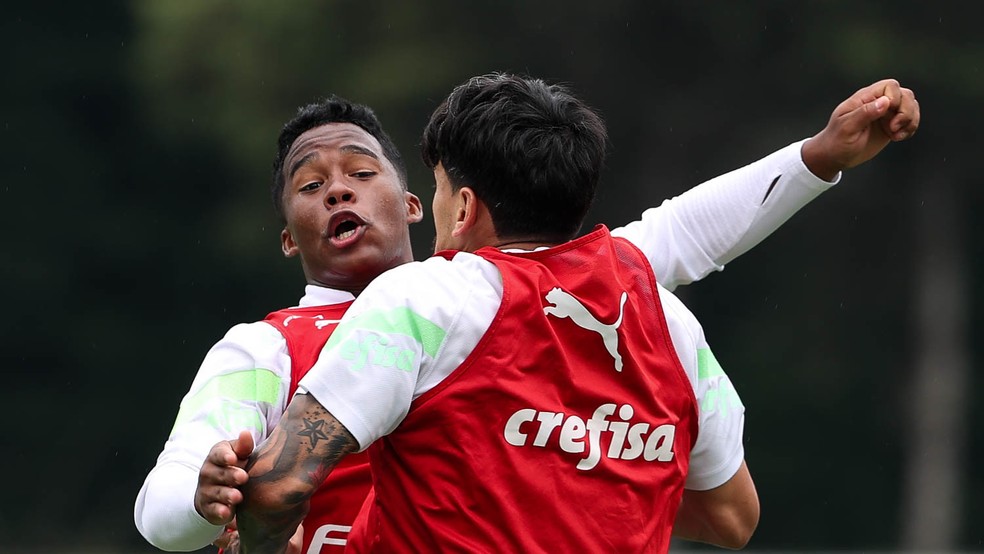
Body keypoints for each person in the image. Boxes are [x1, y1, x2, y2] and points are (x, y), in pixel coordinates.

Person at [232, 74, 918, 553]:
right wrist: (568, 459)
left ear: (464, 208)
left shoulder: (426, 298)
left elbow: (277, 486)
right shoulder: (667, 323)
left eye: (439, 193)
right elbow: (734, 516)